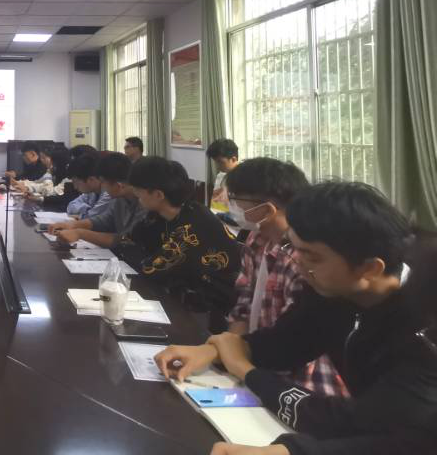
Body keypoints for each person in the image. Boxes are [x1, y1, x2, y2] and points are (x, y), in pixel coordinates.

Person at [156, 182, 437, 455]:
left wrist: (246, 370)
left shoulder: (422, 331)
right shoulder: (334, 290)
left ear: (369, 268)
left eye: (312, 257)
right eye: (295, 248)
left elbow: (375, 427)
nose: (297, 263)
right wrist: (214, 350)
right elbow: (287, 342)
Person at [224, 158, 345, 396]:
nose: (232, 206)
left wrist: (239, 362)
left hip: (301, 385)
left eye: (236, 199)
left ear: (267, 210)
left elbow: (293, 342)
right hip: (254, 364)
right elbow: (244, 305)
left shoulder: (303, 262)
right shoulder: (256, 240)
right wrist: (228, 352)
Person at [114, 156, 240, 326]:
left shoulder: (192, 225)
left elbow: (151, 270)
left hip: (210, 312)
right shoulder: (158, 215)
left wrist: (142, 256)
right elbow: (124, 242)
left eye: (138, 191)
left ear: (158, 195)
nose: (135, 195)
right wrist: (142, 256)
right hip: (177, 296)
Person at [47, 153, 146, 248]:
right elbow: (103, 221)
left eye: (103, 182)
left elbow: (126, 240)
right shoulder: (119, 198)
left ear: (118, 186)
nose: (102, 187)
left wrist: (80, 233)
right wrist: (72, 225)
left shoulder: (144, 204)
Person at [63, 153, 111, 219]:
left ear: (91, 180)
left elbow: (91, 218)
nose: (75, 187)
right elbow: (71, 206)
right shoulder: (91, 192)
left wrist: (81, 215)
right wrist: (87, 209)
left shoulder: (108, 194)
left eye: (76, 182)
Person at [206, 138, 239, 213]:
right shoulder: (221, 176)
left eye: (220, 162)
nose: (217, 166)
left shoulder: (246, 178)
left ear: (233, 159)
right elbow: (216, 205)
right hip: (219, 215)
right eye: (216, 162)